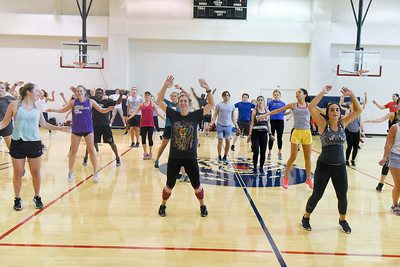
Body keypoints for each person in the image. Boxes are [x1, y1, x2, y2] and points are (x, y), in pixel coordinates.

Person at [301, 85, 361, 234]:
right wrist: (323, 92)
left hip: (340, 167)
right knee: (317, 195)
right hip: (324, 166)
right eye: (332, 110)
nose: (335, 112)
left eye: (337, 110)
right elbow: (311, 107)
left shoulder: (343, 123)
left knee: (342, 196)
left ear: (340, 113)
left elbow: (358, 110)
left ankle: (342, 219)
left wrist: (351, 93)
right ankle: (305, 217)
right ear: (328, 113)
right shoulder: (322, 125)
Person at [0, 83, 70, 211]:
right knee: (18, 173)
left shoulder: (37, 107)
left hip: (34, 143)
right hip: (18, 143)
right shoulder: (14, 105)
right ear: (28, 92)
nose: (39, 93)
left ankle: (37, 196)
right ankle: (17, 198)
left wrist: (60, 128)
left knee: (36, 173)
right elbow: (4, 123)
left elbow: (43, 124)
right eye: (37, 91)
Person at [156, 76, 214, 217]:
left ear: (188, 103)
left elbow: (211, 104)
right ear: (179, 103)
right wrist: (165, 85)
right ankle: (163, 205)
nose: (182, 102)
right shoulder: (173, 114)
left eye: (185, 101)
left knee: (196, 185)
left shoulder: (195, 115)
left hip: (190, 158)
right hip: (175, 157)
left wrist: (208, 89)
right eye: (181, 101)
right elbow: (159, 101)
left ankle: (202, 206)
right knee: (169, 185)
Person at [49, 85, 114, 183]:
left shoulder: (91, 102)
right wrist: (53, 110)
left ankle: (96, 171)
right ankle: (70, 172)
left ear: (84, 92)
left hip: (88, 129)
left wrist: (108, 109)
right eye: (77, 91)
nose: (79, 93)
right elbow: (64, 110)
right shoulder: (73, 102)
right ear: (76, 93)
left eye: (81, 91)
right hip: (76, 130)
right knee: (73, 152)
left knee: (92, 150)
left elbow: (101, 110)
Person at [258, 88, 314, 189]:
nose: (297, 94)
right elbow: (277, 111)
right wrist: (266, 115)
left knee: (308, 158)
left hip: (307, 133)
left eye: (299, 92)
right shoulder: (292, 105)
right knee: (293, 157)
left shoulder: (309, 105)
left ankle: (309, 179)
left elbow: (321, 111)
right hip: (296, 132)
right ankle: (286, 178)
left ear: (305, 94)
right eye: (296, 93)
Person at [83, 88, 123, 167]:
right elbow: (83, 98)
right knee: (90, 143)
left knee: (111, 143)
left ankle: (117, 157)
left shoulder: (107, 101)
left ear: (102, 94)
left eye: (100, 93)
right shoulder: (92, 101)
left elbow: (118, 102)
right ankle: (86, 157)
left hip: (105, 126)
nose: (98, 94)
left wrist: (121, 94)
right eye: (97, 93)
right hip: (95, 126)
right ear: (95, 94)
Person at [127, 91, 164, 160]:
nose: (147, 96)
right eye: (146, 95)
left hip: (150, 124)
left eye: (148, 95)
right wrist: (129, 117)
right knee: (143, 139)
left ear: (150, 96)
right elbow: (135, 112)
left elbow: (158, 113)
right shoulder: (141, 104)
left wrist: (164, 119)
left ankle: (150, 152)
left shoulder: (152, 104)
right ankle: (145, 152)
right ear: (144, 96)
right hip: (143, 124)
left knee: (150, 139)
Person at [379, 110, 400, 216]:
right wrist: (384, 157)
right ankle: (395, 205)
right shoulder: (395, 127)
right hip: (396, 158)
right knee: (398, 185)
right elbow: (388, 144)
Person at [340, 93, 367, 167]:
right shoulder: (347, 111)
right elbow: (341, 104)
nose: (351, 105)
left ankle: (353, 160)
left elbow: (360, 120)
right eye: (351, 104)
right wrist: (343, 96)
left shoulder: (358, 112)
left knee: (356, 147)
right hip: (349, 130)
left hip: (356, 131)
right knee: (349, 146)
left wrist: (362, 131)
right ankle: (347, 160)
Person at [211, 91, 239, 162]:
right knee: (220, 141)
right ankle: (219, 155)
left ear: (229, 96)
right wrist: (212, 123)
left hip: (228, 126)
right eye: (225, 95)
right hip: (220, 125)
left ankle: (225, 156)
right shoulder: (219, 105)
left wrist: (236, 125)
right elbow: (215, 115)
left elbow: (233, 117)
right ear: (222, 96)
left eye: (227, 95)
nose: (226, 97)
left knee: (227, 141)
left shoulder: (232, 106)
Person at [247, 96, 270, 174]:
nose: (260, 101)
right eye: (259, 100)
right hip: (255, 134)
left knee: (263, 152)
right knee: (256, 151)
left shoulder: (267, 111)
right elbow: (252, 124)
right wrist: (249, 135)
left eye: (261, 100)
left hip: (264, 134)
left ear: (264, 101)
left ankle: (261, 168)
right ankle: (255, 167)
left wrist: (270, 134)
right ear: (257, 102)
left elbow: (268, 124)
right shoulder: (254, 111)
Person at [267, 89, 287, 160]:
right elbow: (267, 112)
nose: (276, 96)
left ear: (280, 95)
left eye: (277, 94)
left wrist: (291, 112)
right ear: (273, 95)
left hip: (280, 122)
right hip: (272, 121)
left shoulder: (283, 103)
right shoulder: (270, 103)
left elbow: (283, 113)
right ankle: (269, 152)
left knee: (279, 137)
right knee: (271, 137)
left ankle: (279, 152)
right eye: (275, 95)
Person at [0, 82, 16, 149]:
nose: (0, 89)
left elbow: (19, 102)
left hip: (6, 125)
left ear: (5, 89)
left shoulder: (8, 98)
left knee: (11, 147)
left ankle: (16, 159)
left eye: (2, 88)